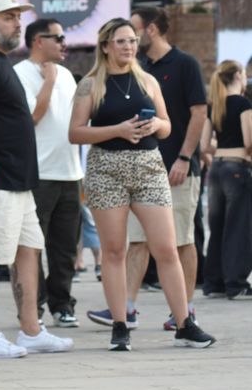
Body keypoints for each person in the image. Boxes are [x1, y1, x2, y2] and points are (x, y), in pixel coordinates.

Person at [68, 18, 215, 352]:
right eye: (121, 41)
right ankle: (120, 325)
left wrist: (155, 126)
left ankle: (184, 323)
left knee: (166, 247)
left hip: (149, 168)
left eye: (132, 41)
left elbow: (166, 125)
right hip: (107, 169)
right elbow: (75, 132)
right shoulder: (92, 85)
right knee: (115, 250)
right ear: (106, 45)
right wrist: (117, 130)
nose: (129, 47)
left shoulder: (147, 80)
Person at [0, 0, 74, 360]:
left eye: (17, 17)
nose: (17, 23)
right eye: (9, 17)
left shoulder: (0, 62)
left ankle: (31, 329)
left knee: (30, 251)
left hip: (21, 180)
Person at [14, 18, 83, 327]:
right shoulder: (21, 74)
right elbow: (32, 118)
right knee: (32, 247)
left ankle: (62, 304)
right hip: (38, 174)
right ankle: (34, 307)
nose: (63, 42)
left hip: (70, 172)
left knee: (65, 247)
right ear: (37, 41)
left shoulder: (68, 74)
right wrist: (49, 82)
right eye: (57, 37)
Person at [200, 60, 252, 299]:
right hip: (237, 168)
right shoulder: (243, 104)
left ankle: (214, 282)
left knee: (218, 226)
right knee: (238, 227)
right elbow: (249, 142)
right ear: (239, 76)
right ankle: (236, 282)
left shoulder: (215, 105)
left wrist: (221, 147)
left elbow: (203, 145)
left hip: (217, 169)